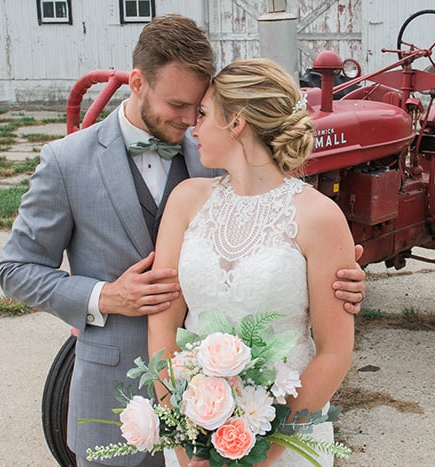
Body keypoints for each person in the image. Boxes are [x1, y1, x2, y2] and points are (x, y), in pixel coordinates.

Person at [0, 15, 365, 467]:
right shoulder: (67, 161)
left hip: (251, 418)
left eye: (200, 107)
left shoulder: (216, 153)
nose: (191, 120)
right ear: (137, 83)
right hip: (120, 398)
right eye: (178, 105)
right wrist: (104, 296)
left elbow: (276, 240)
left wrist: (337, 276)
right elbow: (15, 270)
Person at [148, 58, 356, 467]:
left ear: (237, 122)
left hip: (284, 443)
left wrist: (256, 454)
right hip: (194, 438)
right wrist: (183, 437)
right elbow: (163, 322)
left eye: (204, 114)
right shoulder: (186, 201)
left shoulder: (319, 216)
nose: (194, 126)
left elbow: (334, 351)